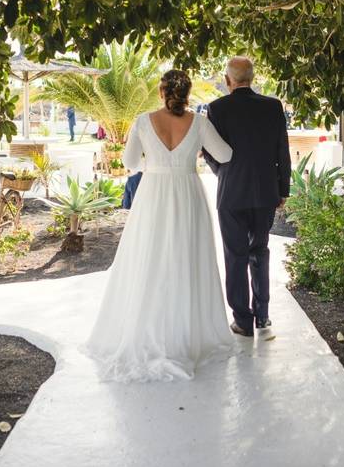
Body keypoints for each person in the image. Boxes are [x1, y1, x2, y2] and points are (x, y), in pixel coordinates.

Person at [86, 70, 234, 382]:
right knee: (185, 260)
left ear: (160, 92)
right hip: (187, 195)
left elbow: (130, 162)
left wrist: (153, 166)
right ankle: (183, 334)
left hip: (153, 196)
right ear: (187, 93)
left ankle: (148, 327)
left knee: (149, 260)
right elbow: (225, 154)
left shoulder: (142, 121)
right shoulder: (200, 122)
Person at [202, 57, 291, 337]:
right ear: (252, 78)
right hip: (266, 191)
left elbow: (209, 151)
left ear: (228, 80)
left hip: (231, 193)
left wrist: (224, 174)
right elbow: (282, 152)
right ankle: (263, 316)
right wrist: (283, 190)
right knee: (260, 251)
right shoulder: (273, 106)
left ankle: (242, 320)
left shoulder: (217, 108)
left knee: (235, 255)